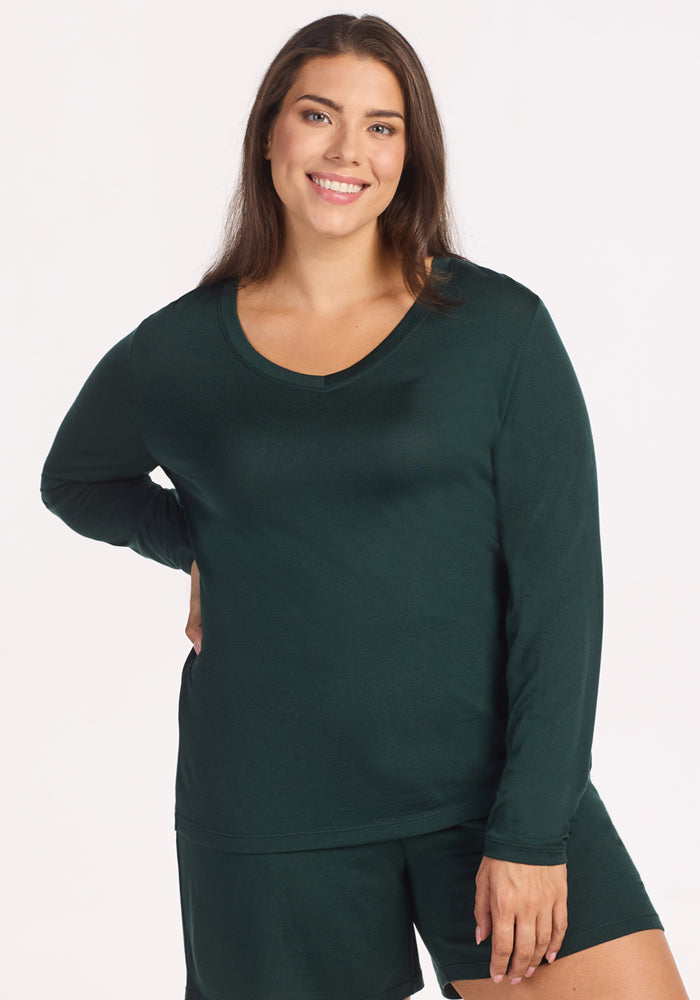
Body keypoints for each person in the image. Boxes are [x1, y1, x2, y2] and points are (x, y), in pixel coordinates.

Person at [40, 12, 688, 1000]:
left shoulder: (496, 334)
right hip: (269, 816)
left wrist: (530, 832)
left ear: (409, 153)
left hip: (482, 798)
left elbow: (561, 600)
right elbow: (76, 480)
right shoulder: (177, 352)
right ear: (270, 134)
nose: (348, 150)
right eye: (318, 115)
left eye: (381, 126)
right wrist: (209, 546)